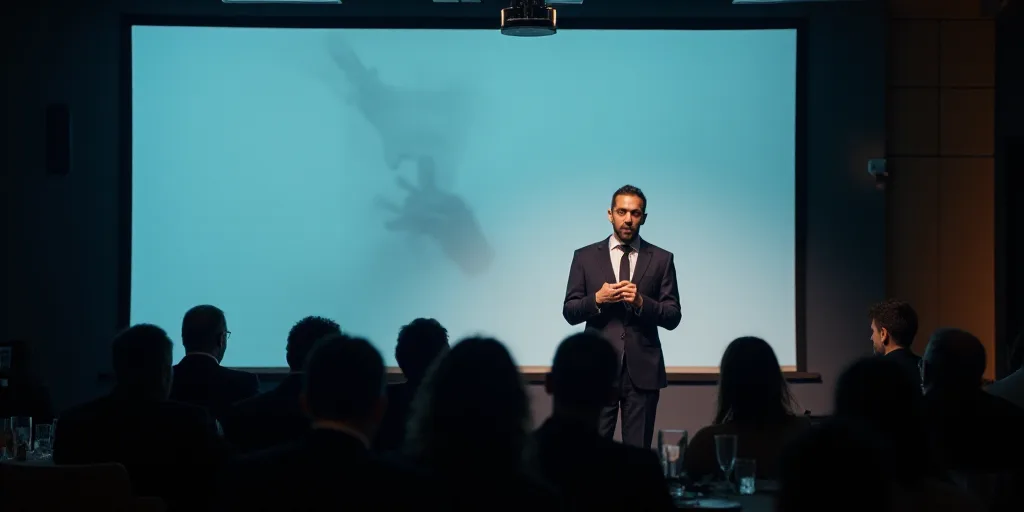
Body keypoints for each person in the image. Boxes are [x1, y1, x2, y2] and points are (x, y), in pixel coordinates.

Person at [562, 184, 682, 448]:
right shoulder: (584, 257)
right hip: (598, 370)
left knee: (637, 457)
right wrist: (597, 299)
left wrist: (642, 302)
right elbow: (569, 312)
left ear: (644, 218)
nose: (628, 219)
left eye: (635, 213)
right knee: (590, 453)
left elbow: (673, 316)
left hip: (643, 371)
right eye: (622, 211)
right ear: (610, 214)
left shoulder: (662, 259)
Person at [868, 299, 922, 391]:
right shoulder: (926, 370)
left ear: (883, 334)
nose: (871, 337)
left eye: (873, 331)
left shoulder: (874, 373)